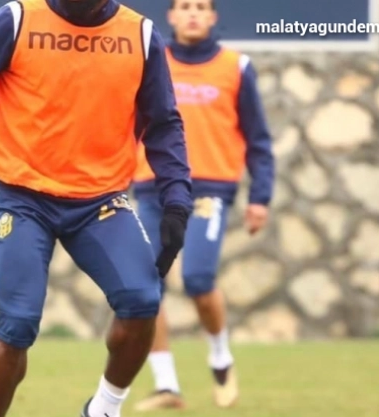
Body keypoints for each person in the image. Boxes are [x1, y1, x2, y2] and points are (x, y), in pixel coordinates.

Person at [0, 1, 194, 416]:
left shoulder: (141, 35)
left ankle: (103, 409)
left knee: (142, 299)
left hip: (100, 202)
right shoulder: (18, 19)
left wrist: (177, 204)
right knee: (17, 327)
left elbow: (164, 124)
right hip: (24, 200)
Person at [131, 0, 275, 411]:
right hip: (153, 188)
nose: (192, 13)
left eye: (201, 6)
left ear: (212, 17)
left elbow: (258, 139)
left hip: (208, 191)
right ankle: (166, 386)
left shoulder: (236, 67)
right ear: (171, 16)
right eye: (184, 6)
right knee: (146, 288)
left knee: (197, 278)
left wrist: (260, 198)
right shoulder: (151, 60)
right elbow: (127, 121)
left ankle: (220, 358)